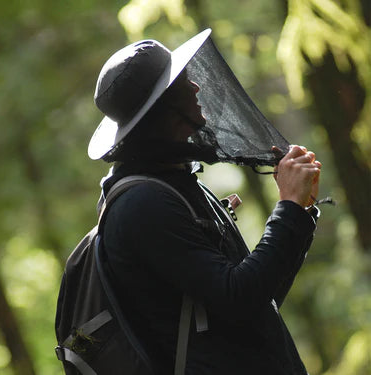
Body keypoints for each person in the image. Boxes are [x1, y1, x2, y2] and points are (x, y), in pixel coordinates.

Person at [88, 29, 321, 375]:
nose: (197, 87)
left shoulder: (173, 182)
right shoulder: (142, 206)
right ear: (161, 108)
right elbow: (239, 298)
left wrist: (299, 209)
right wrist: (288, 207)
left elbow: (260, 298)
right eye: (183, 82)